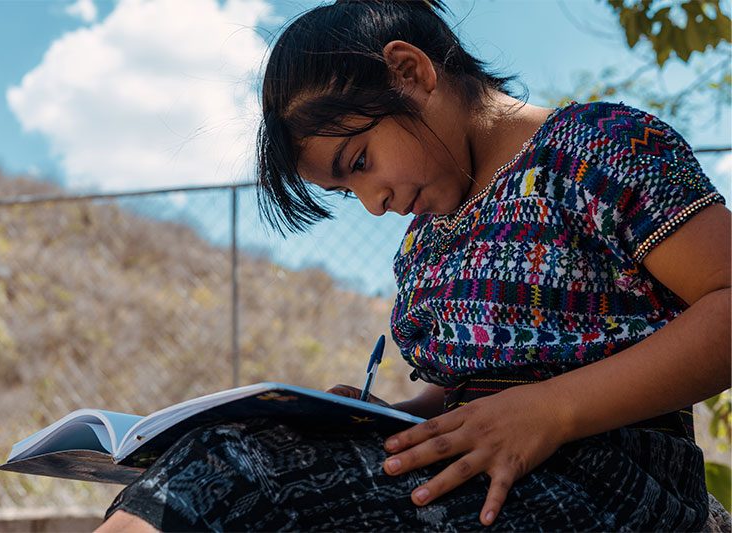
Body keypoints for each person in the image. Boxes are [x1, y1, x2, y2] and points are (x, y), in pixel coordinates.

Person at [98, 0, 731, 530]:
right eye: (349, 193)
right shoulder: (426, 238)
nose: (374, 205)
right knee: (224, 457)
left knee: (231, 476)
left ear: (410, 71)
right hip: (477, 474)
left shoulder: (599, 146)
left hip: (610, 479)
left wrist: (552, 409)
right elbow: (470, 397)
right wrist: (380, 419)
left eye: (360, 162)